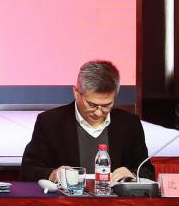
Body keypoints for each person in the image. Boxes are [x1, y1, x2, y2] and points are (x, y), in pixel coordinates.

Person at [19, 60, 150, 183]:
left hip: (115, 199)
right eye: (92, 105)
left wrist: (133, 175)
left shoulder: (129, 124)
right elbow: (28, 170)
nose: (99, 112)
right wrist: (53, 174)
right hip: (66, 199)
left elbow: (147, 171)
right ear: (76, 92)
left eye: (106, 105)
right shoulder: (50, 122)